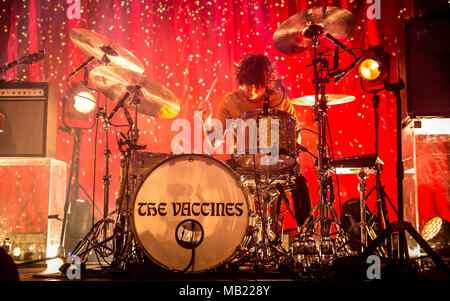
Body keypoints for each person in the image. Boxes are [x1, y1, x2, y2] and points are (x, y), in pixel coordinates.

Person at [200, 54, 312, 230]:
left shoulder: (280, 99)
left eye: (257, 85)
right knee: (217, 179)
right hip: (243, 162)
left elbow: (295, 139)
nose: (251, 89)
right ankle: (223, 234)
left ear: (267, 82)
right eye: (246, 83)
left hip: (275, 160)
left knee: (300, 184)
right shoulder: (231, 101)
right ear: (240, 80)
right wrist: (206, 120)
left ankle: (307, 236)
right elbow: (214, 142)